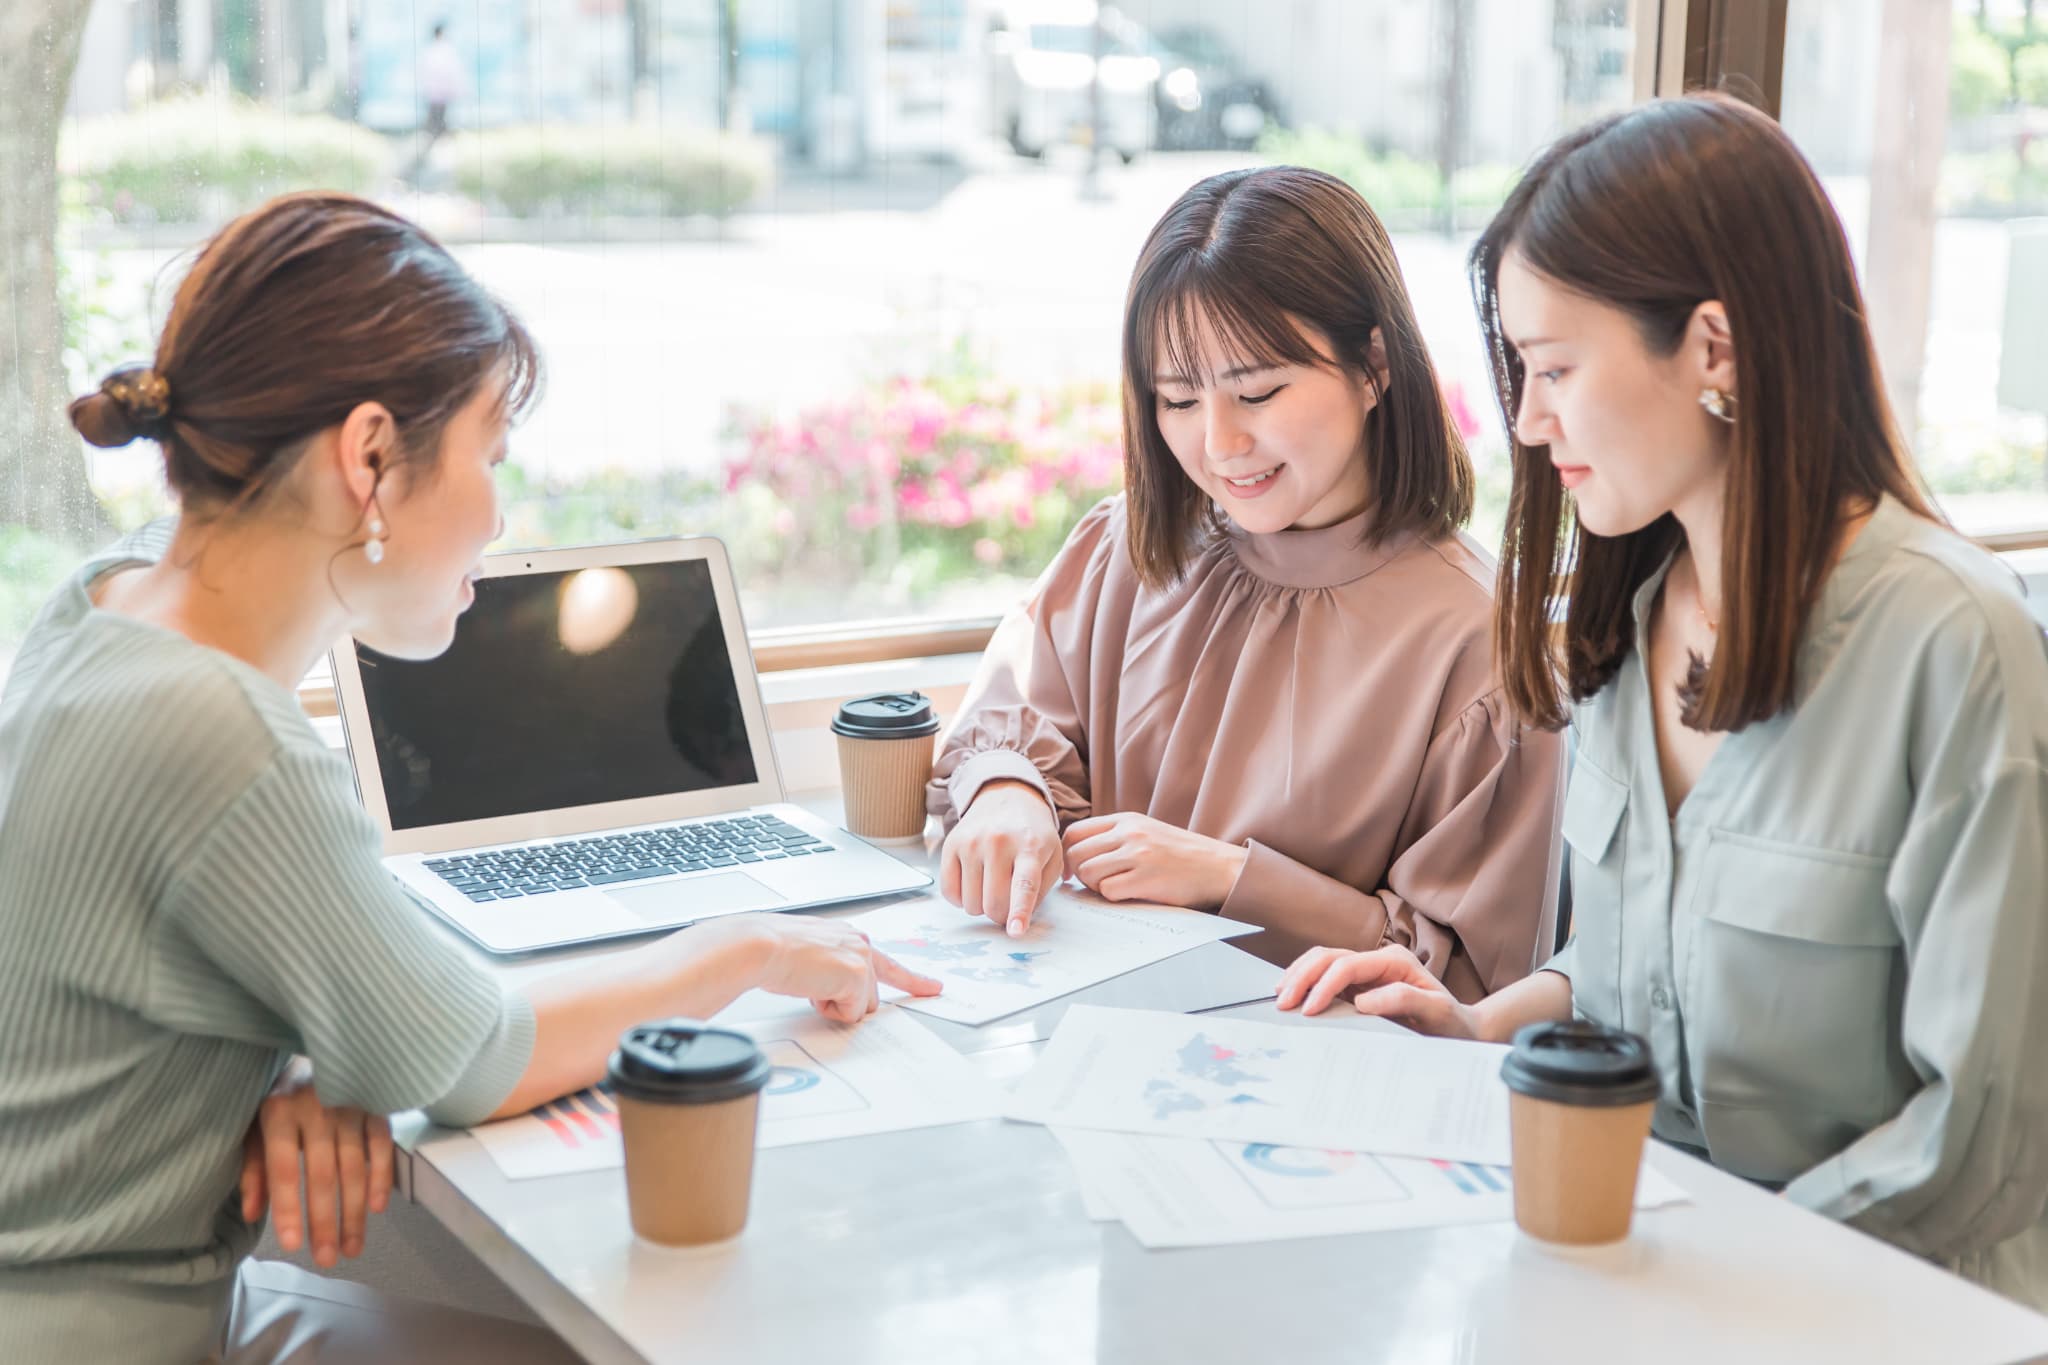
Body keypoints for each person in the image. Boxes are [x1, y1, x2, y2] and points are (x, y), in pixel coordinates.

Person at [0, 192, 940, 1364]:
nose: (502, 513)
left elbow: (159, 955)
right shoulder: (223, 734)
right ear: (371, 457)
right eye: (491, 456)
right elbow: (469, 1057)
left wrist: (305, 1059)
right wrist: (741, 946)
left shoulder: (100, 604)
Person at [1278, 94, 2048, 1311]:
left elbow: (1979, 1139)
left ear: (1712, 347)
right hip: (1639, 1266)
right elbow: (1642, 962)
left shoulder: (1954, 649)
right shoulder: (1632, 623)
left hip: (1878, 1310)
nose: (1527, 426)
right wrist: (1486, 1027)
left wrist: (1703, 1284)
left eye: (1553, 370)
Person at [930, 166, 1563, 992]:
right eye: (1178, 400)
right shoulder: (1127, 546)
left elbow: (1475, 977)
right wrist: (1009, 793)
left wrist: (1231, 878)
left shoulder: (1477, 644)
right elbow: (1007, 721)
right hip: (1094, 1032)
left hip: (1317, 1080)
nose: (1219, 443)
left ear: (1372, 364)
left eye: (1256, 391)